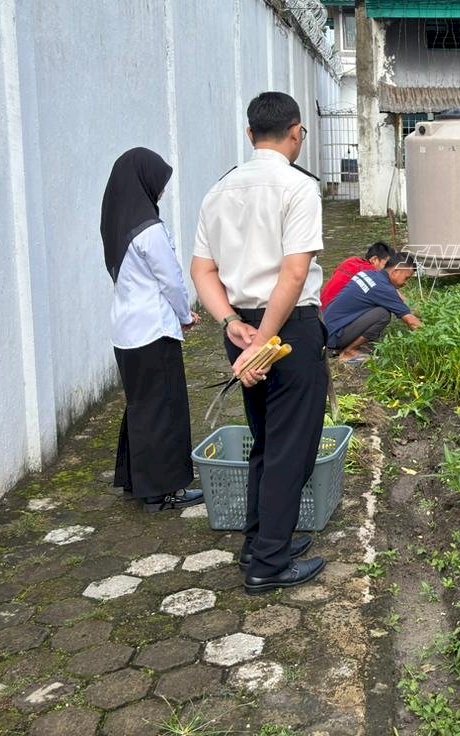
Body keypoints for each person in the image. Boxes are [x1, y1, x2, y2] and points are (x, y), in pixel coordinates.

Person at [191, 91, 328, 593]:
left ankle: (260, 539)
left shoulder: (219, 190)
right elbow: (294, 274)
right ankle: (268, 564)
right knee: (292, 447)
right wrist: (263, 345)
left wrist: (231, 325)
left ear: (251, 135)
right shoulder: (297, 189)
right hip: (284, 331)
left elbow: (202, 270)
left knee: (266, 439)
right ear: (297, 133)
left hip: (242, 327)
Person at [100, 148, 204, 513]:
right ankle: (164, 491)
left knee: (141, 408)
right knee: (164, 410)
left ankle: (137, 481)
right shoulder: (150, 229)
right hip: (153, 330)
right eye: (159, 184)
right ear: (144, 182)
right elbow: (172, 280)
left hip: (126, 332)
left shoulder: (116, 225)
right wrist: (186, 315)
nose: (161, 192)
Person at [322, 252, 422, 361]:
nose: (406, 283)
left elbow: (400, 301)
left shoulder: (369, 274)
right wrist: (432, 337)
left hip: (325, 330)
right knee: (383, 314)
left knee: (379, 310)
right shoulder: (384, 289)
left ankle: (347, 346)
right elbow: (411, 321)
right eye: (406, 278)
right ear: (396, 272)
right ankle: (349, 352)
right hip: (334, 337)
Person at [321, 241, 393, 309]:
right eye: (386, 265)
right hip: (333, 312)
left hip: (320, 307)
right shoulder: (371, 273)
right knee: (381, 309)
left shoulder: (351, 261)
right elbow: (392, 294)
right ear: (374, 260)